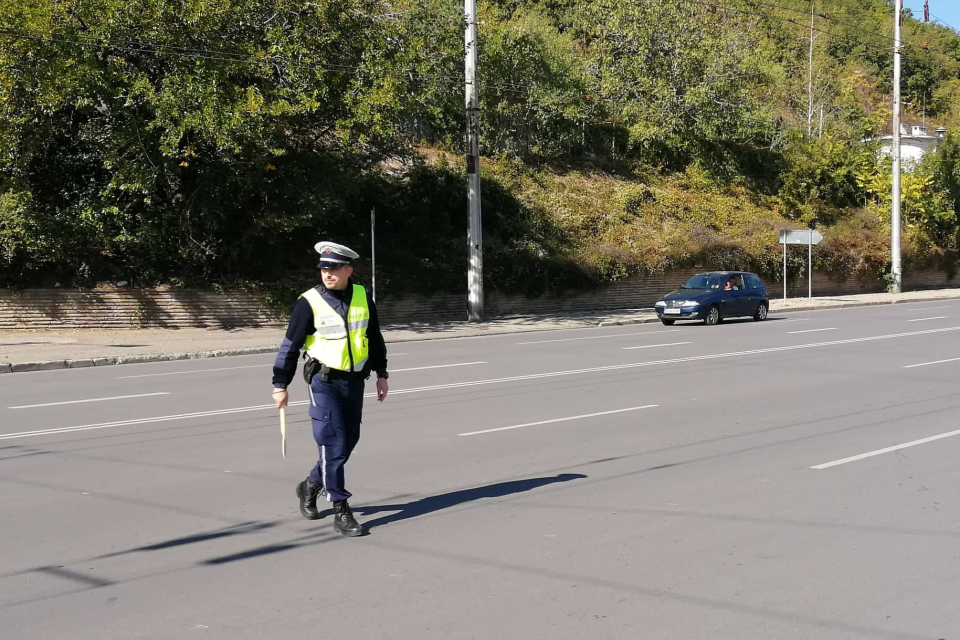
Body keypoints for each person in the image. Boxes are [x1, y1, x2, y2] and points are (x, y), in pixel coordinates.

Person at [271, 241, 389, 537]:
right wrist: (279, 384)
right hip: (323, 382)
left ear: (349, 270)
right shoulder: (308, 302)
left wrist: (381, 372)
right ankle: (340, 507)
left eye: (334, 268)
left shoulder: (363, 295)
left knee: (348, 441)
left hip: (354, 380)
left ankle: (310, 485)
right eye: (323, 268)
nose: (327, 273)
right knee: (332, 443)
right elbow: (290, 346)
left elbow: (373, 336)